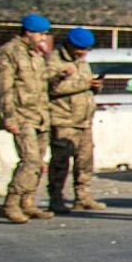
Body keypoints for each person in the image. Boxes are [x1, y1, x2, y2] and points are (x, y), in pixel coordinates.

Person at [0, 13, 56, 223]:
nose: (43, 38)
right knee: (30, 160)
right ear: (28, 32)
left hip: (40, 116)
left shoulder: (35, 55)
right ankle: (11, 203)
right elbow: (4, 88)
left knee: (38, 163)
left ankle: (27, 202)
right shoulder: (8, 53)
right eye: (41, 34)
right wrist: (9, 117)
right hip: (22, 116)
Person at [45, 27, 107, 213]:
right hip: (64, 119)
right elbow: (52, 87)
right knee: (60, 162)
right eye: (80, 49)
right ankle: (56, 198)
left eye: (86, 50)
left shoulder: (82, 63)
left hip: (84, 120)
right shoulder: (54, 61)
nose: (83, 53)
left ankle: (83, 197)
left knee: (85, 161)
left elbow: (85, 85)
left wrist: (95, 86)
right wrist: (84, 84)